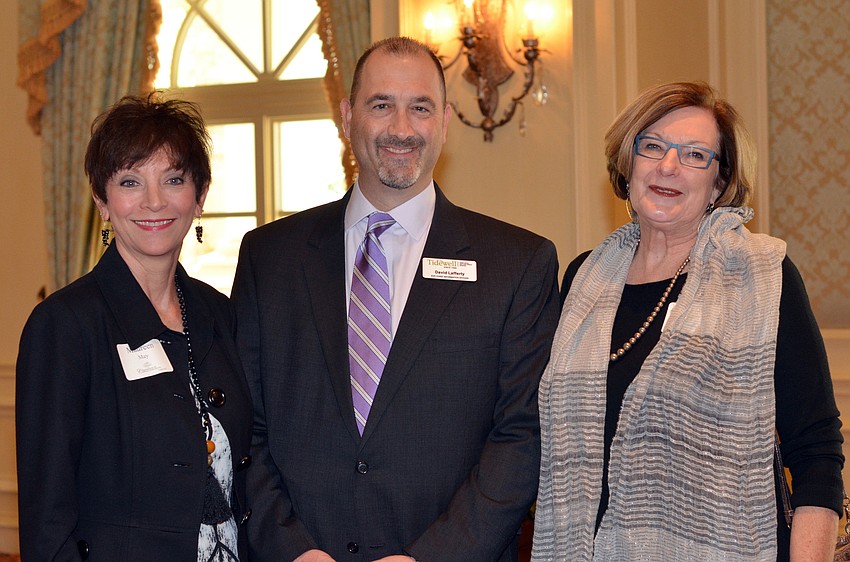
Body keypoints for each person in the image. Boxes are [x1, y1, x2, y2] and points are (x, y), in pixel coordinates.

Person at [232, 36, 560, 562]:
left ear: (446, 121)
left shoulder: (518, 264)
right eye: (381, 105)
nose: (402, 129)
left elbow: (521, 437)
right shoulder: (268, 259)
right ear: (347, 116)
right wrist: (291, 547)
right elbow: (245, 425)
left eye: (421, 108)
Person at [531, 81, 845, 561]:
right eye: (652, 146)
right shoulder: (583, 278)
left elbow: (817, 452)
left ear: (719, 182)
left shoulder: (762, 276)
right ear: (627, 163)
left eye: (696, 155)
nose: (668, 166)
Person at [16, 95, 253, 561]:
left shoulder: (221, 315)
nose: (154, 201)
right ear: (102, 201)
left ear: (200, 196)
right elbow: (47, 524)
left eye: (174, 179)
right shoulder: (64, 326)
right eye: (130, 181)